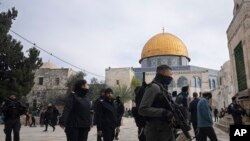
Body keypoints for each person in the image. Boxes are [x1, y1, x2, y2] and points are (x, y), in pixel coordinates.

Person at [139, 65, 175, 141]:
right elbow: (142, 109)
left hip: (165, 129)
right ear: (162, 74)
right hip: (156, 132)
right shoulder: (154, 87)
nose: (171, 77)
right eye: (170, 75)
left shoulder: (162, 88)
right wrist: (164, 112)